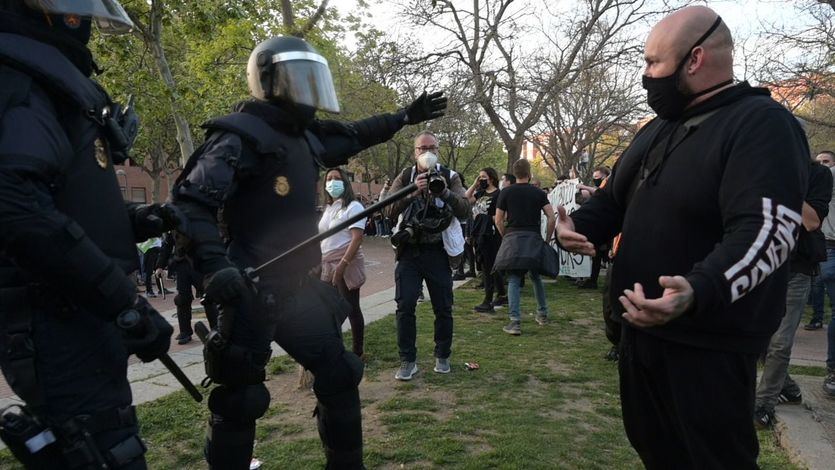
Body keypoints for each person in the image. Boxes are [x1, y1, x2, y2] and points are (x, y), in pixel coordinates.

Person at [171, 35, 446, 469]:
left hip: (298, 288)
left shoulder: (305, 139)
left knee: (339, 374)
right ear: (269, 81)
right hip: (248, 290)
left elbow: (355, 135)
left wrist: (403, 117)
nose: (307, 90)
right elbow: (190, 206)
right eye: (297, 79)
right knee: (241, 398)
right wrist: (214, 269)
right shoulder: (236, 136)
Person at [557, 6, 809, 468]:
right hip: (640, 335)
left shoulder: (761, 124)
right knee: (657, 451)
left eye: (654, 63)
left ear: (694, 60)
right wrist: (577, 226)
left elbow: (768, 231)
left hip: (708, 345)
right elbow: (614, 198)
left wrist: (697, 289)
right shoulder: (656, 129)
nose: (646, 76)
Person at [0, 2, 176, 467]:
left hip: (80, 319)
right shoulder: (20, 83)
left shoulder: (42, 82)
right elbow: (17, 208)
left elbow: (62, 202)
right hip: (56, 325)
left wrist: (136, 218)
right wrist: (124, 302)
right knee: (101, 448)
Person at [384, 131, 469, 380]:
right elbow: (387, 209)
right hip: (409, 252)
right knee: (405, 305)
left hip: (437, 252)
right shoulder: (406, 176)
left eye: (432, 147)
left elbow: (465, 209)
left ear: (438, 150)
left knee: (443, 307)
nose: (427, 152)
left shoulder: (450, 176)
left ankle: (442, 356)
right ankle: (407, 360)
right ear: (415, 152)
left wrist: (443, 193)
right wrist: (411, 191)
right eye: (422, 148)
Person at [754, 155, 831, 428]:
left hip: (797, 267)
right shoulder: (763, 166)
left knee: (780, 340)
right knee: (757, 335)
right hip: (761, 263)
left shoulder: (819, 175)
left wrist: (784, 187)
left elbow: (811, 221)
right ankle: (787, 387)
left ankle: (764, 404)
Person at [493, 159, 556, 335]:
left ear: (515, 174)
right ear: (529, 174)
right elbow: (551, 217)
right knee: (536, 277)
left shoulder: (506, 192)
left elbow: (498, 219)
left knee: (514, 279)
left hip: (513, 238)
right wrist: (547, 239)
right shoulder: (538, 193)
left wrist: (505, 236)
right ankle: (542, 314)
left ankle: (515, 322)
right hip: (533, 237)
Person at [319, 167, 368, 358]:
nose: (332, 182)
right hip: (326, 263)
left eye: (336, 178)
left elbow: (357, 238)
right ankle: (332, 347)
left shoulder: (354, 206)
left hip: (346, 262)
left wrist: (343, 264)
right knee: (329, 308)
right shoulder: (329, 208)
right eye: (328, 179)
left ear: (345, 182)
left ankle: (358, 352)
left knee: (351, 307)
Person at [156, 231, 218, 345]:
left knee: (209, 297)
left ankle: (216, 329)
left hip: (200, 263)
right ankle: (185, 331)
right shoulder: (174, 220)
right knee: (182, 298)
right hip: (182, 264)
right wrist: (160, 266)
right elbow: (168, 244)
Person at [466, 167, 506, 313]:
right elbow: (467, 198)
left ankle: (488, 300)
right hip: (478, 233)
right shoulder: (481, 192)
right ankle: (502, 294)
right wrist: (475, 184)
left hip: (490, 234)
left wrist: (485, 219)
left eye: (484, 177)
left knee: (488, 267)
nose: (481, 179)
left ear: (492, 178)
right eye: (480, 177)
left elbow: (500, 216)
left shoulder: (498, 194)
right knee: (489, 266)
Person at [807, 150, 835, 331]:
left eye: (827, 162)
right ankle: (816, 317)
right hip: (827, 243)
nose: (823, 165)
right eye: (820, 162)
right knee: (818, 283)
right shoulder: (821, 179)